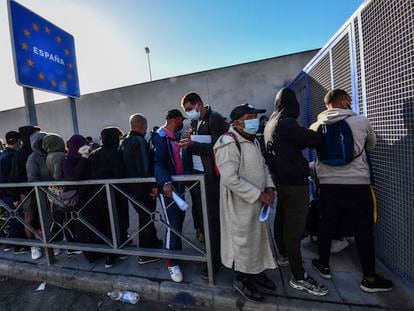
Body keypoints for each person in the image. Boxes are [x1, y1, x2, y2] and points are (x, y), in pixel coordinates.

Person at [310, 89, 393, 293]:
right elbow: (371, 145)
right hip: (358, 183)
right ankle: (370, 278)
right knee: (364, 230)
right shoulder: (361, 121)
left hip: (328, 184)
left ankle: (323, 265)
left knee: (327, 224)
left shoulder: (315, 126)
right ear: (345, 101)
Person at [263, 87, 328, 296]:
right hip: (295, 184)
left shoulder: (270, 124)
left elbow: (286, 146)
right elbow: (313, 140)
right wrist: (321, 127)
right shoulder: (287, 123)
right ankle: (299, 276)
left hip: (281, 181)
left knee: (281, 219)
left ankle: (282, 254)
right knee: (294, 230)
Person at [213, 103, 276, 302]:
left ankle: (256, 272)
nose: (254, 121)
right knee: (243, 242)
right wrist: (259, 194)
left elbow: (263, 166)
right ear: (237, 122)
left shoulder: (253, 141)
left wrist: (270, 187)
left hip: (258, 201)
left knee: (257, 239)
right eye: (250, 117)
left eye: (254, 117)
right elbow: (229, 179)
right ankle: (242, 278)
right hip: (240, 204)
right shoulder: (228, 142)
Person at [179, 91, 228, 279]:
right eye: (186, 111)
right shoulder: (195, 122)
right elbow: (194, 146)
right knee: (205, 220)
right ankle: (211, 255)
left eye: (190, 109)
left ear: (199, 104)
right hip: (200, 178)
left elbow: (219, 147)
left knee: (213, 220)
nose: (188, 113)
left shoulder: (215, 119)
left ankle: (215, 262)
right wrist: (187, 141)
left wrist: (193, 145)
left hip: (213, 179)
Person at [120, 113, 162, 265]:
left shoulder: (124, 141)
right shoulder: (140, 141)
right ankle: (146, 254)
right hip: (143, 186)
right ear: (141, 126)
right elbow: (145, 167)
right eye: (145, 126)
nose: (146, 129)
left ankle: (153, 242)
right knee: (146, 216)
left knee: (144, 215)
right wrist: (152, 186)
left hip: (130, 186)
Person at [152, 109, 187, 283]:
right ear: (174, 120)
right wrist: (165, 182)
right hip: (168, 188)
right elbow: (157, 162)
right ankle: (171, 262)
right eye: (181, 119)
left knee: (180, 220)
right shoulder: (159, 136)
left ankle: (177, 253)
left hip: (180, 186)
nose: (183, 122)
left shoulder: (176, 136)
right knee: (172, 223)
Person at [88, 127, 128, 269]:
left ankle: (109, 253)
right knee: (118, 221)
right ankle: (118, 251)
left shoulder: (93, 154)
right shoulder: (116, 153)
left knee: (105, 223)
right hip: (115, 194)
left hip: (98, 195)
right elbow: (121, 174)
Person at [9, 126, 40, 255]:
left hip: (34, 190)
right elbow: (14, 176)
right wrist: (15, 197)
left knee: (37, 216)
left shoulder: (34, 150)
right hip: (27, 191)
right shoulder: (21, 154)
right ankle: (34, 246)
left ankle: (41, 244)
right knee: (29, 217)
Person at [0, 131, 24, 251]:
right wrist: (15, 197)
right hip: (10, 193)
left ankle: (11, 244)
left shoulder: (3, 155)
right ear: (17, 140)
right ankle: (18, 246)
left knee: (12, 218)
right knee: (17, 218)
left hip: (4, 193)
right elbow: (11, 178)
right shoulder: (13, 156)